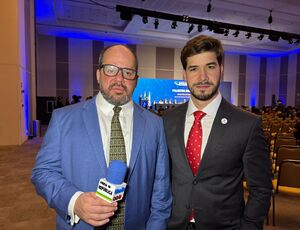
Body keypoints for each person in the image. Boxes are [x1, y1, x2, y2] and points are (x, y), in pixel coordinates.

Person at [31, 44, 172, 229]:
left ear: (136, 80)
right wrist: (75, 201)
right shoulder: (62, 119)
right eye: (111, 69)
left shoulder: (155, 124)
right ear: (98, 74)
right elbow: (43, 172)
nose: (119, 79)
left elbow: (161, 188)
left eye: (128, 72)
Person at [163, 35, 272, 230]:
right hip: (174, 225)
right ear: (184, 75)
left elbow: (261, 189)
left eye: (210, 66)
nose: (202, 77)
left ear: (221, 69)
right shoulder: (167, 121)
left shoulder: (247, 124)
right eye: (193, 68)